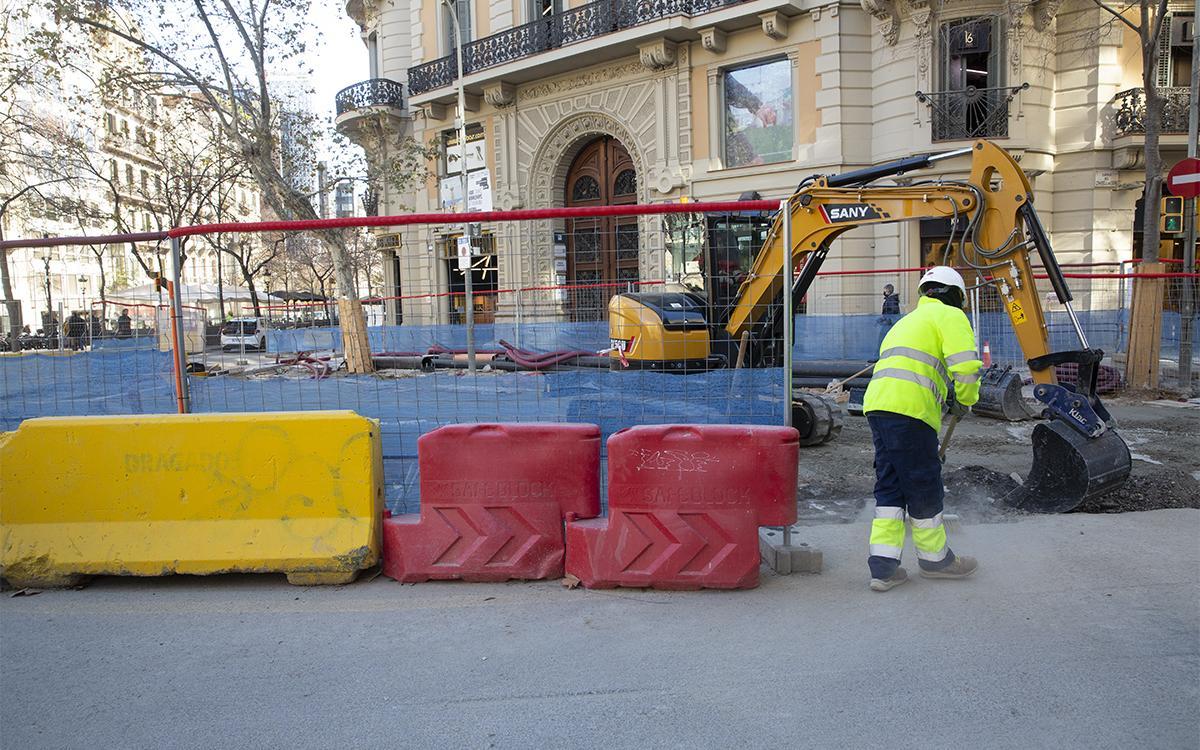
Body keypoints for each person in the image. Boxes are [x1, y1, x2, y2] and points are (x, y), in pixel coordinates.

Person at [861, 266, 982, 592]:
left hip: (878, 406)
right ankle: (935, 561)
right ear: (956, 295)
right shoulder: (951, 317)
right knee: (923, 483)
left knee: (891, 486)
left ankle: (883, 569)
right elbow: (967, 367)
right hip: (911, 412)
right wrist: (966, 399)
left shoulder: (907, 321)